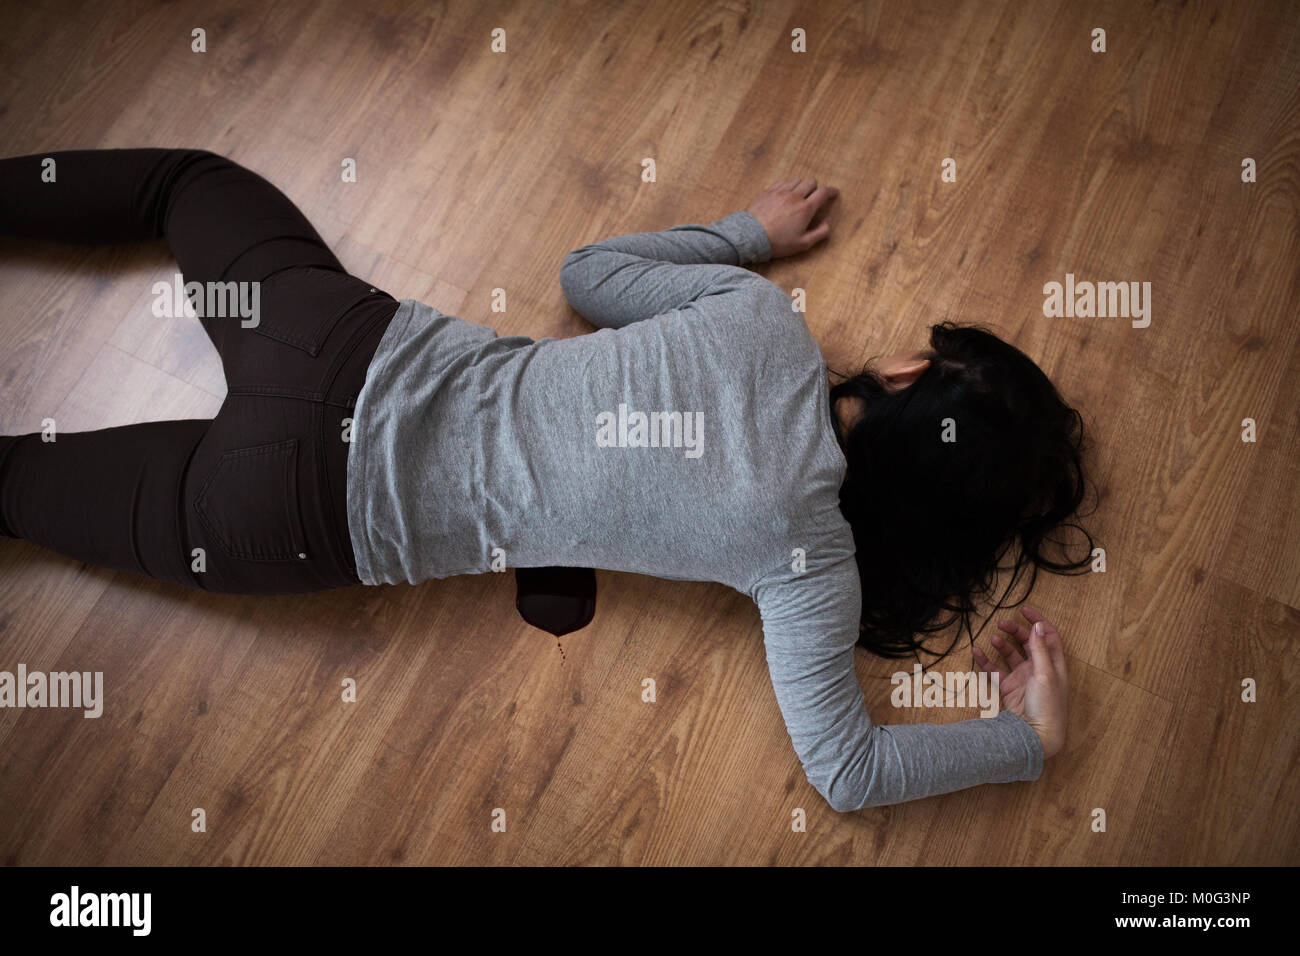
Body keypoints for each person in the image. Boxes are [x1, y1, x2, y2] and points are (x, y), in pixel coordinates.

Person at [0, 150, 1092, 812]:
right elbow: (846, 774)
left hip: (335, 348)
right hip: (293, 520)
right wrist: (1023, 740)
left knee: (184, 185)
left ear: (906, 372)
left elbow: (586, 275)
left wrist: (744, 234)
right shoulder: (811, 563)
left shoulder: (760, 321)